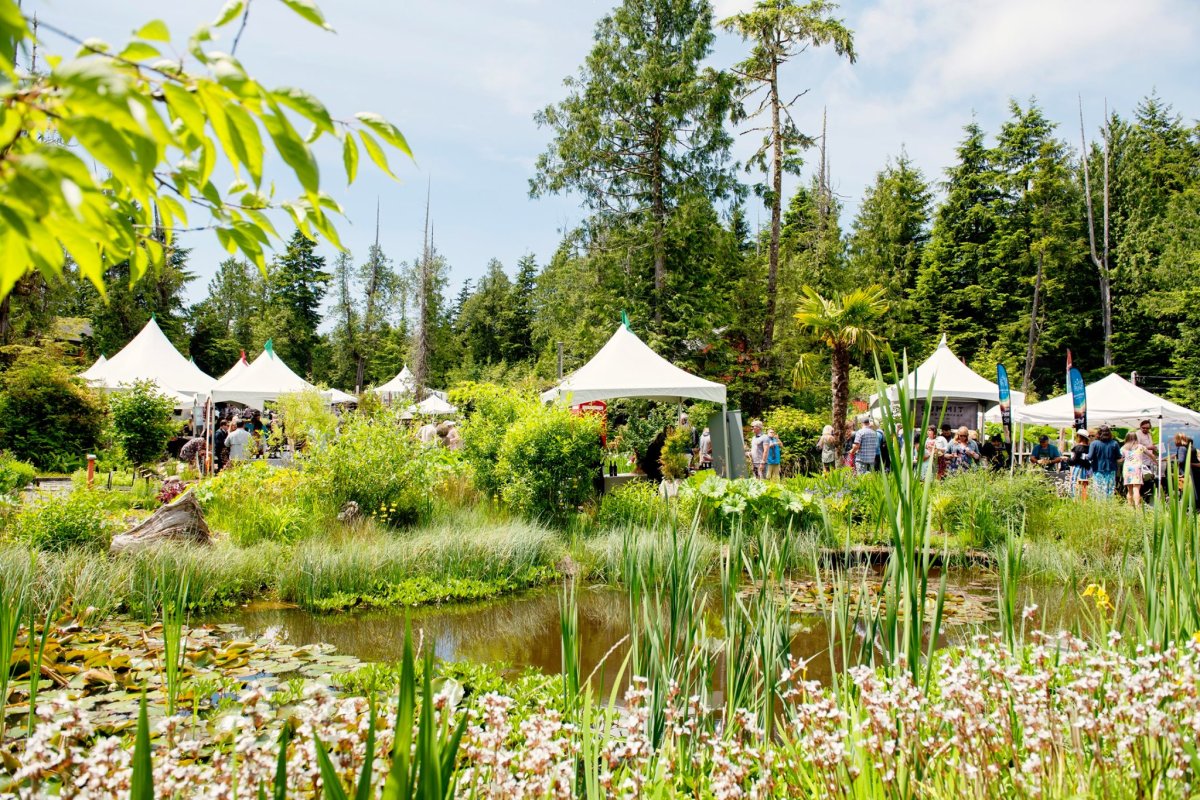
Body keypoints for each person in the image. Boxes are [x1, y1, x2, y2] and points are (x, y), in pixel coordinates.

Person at [1087, 425, 1121, 499]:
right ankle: (1109, 506)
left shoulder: (1094, 443)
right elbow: (1119, 456)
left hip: (1097, 469)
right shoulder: (1114, 443)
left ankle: (1100, 506)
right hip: (1111, 469)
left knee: (1099, 490)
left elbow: (1089, 457)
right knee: (1110, 489)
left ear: (1098, 433)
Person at [1121, 431, 1148, 509]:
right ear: (1136, 437)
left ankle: (1130, 507)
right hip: (1137, 469)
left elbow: (1119, 459)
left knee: (1129, 490)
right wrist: (1156, 462)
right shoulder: (1140, 447)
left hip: (1127, 469)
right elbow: (1150, 454)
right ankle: (1137, 507)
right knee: (1136, 489)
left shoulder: (1123, 448)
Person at [1068, 430, 1092, 501]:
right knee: (1085, 486)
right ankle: (1084, 501)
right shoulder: (1090, 448)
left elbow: (1074, 460)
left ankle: (1075, 500)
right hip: (1087, 469)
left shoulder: (1078, 448)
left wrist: (1067, 460)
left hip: (1078, 469)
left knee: (1075, 484)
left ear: (1079, 437)